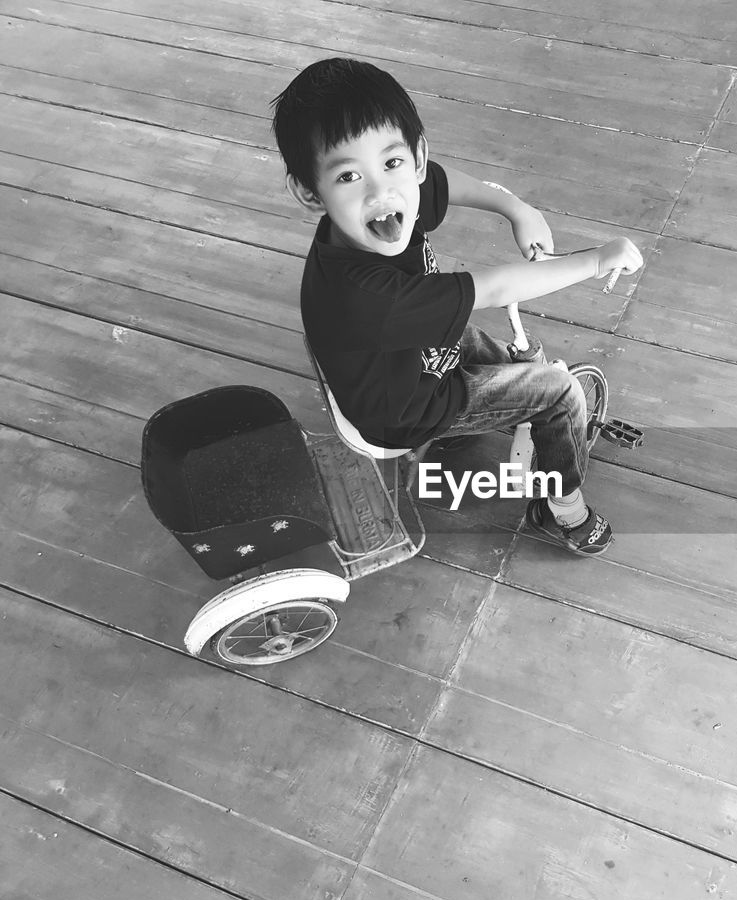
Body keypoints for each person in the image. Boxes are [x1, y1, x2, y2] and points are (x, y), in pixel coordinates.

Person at [271, 58, 641, 556]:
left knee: (481, 343)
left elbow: (442, 184)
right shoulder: (364, 294)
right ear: (308, 192)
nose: (381, 190)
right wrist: (595, 259)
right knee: (557, 390)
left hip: (402, 355)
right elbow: (489, 289)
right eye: (347, 177)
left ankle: (512, 406)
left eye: (392, 163)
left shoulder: (390, 201)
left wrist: (517, 208)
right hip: (404, 412)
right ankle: (560, 507)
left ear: (416, 158)